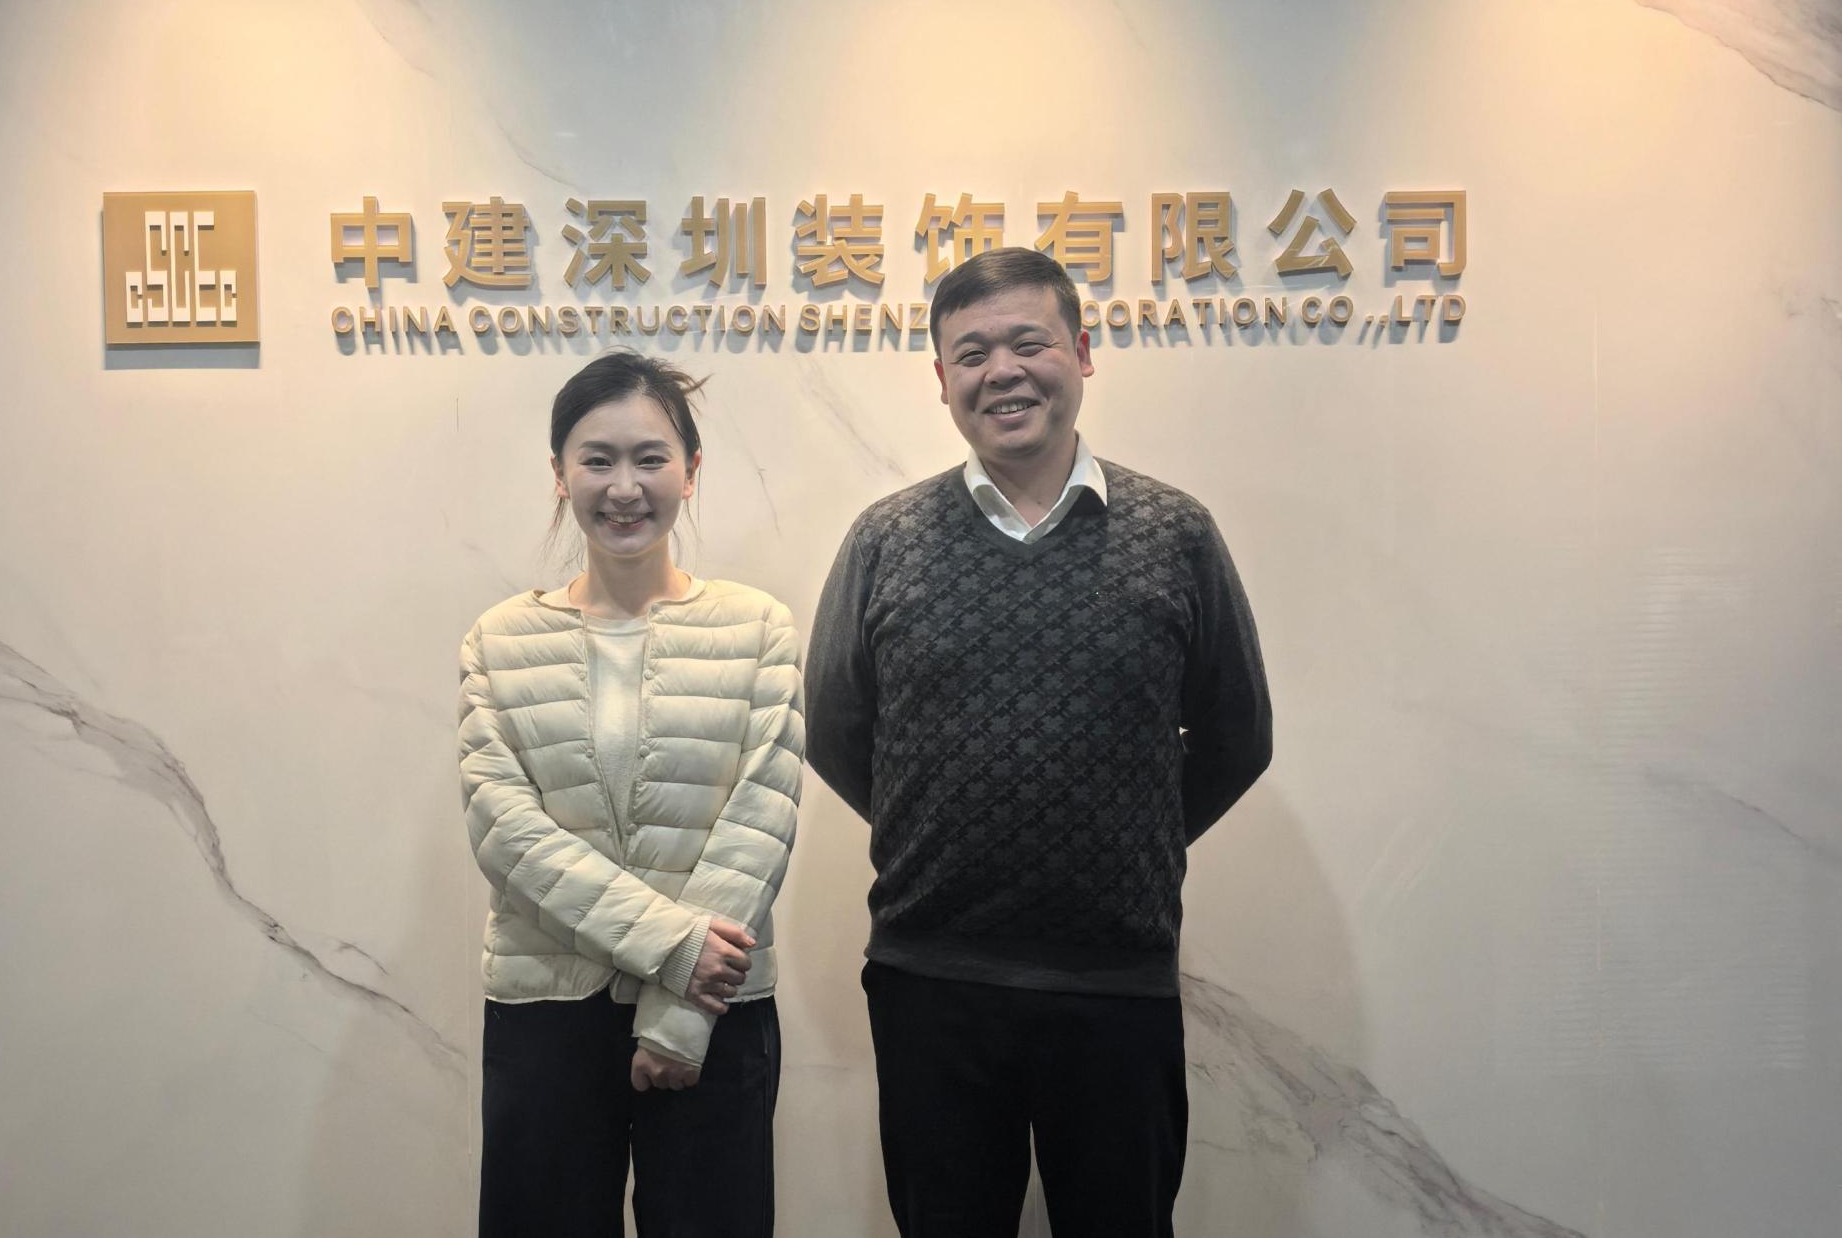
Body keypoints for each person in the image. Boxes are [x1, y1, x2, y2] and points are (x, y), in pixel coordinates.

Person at [805, 247, 1273, 1237]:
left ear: (1083, 353)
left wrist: (1129, 831)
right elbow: (839, 731)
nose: (1002, 371)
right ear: (942, 380)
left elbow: (1237, 735)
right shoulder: (886, 538)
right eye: (972, 354)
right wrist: (941, 824)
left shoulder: (1175, 533)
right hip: (932, 979)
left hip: (1116, 981)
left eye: (1029, 342)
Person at [458, 350, 803, 1238]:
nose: (624, 487)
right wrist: (673, 947)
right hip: (548, 1008)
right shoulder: (499, 639)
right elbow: (506, 831)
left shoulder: (757, 627)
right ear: (559, 473)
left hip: (714, 1011)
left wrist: (681, 1012)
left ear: (691, 470)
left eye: (650, 458)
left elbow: (761, 816)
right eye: (597, 459)